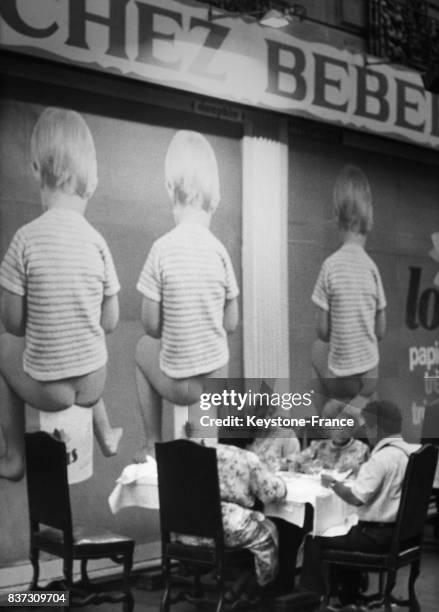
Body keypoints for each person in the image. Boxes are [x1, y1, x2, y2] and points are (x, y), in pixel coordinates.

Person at [0, 108, 122, 481]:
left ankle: (14, 456)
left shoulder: (25, 240)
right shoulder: (97, 242)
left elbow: (14, 324)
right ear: (94, 179)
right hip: (92, 384)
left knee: (3, 346)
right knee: (86, 340)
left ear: (36, 168)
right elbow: (110, 321)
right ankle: (106, 433)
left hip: (50, 388)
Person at [134, 130, 239, 459]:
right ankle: (208, 448)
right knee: (217, 352)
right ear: (216, 198)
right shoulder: (220, 251)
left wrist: (176, 328)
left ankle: (152, 441)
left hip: (178, 384)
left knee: (141, 349)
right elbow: (231, 323)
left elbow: (151, 326)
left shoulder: (161, 250)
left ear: (169, 188)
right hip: (213, 385)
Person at [300, 400, 420, 607]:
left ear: (376, 428)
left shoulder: (381, 459)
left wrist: (334, 484)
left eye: (367, 426)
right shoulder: (413, 452)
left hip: (378, 537)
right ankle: (349, 595)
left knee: (315, 538)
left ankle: (313, 599)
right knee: (345, 529)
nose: (365, 430)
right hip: (405, 537)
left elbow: (356, 498)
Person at [311, 166, 387, 419]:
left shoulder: (329, 266)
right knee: (369, 385)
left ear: (337, 217)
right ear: (370, 219)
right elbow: (381, 330)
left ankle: (333, 408)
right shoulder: (372, 269)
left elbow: (322, 332)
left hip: (339, 376)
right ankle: (359, 403)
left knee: (316, 352)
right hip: (367, 377)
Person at [176, 443, 287, 603]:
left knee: (251, 525)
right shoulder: (247, 457)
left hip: (185, 530)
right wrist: (281, 483)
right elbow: (269, 493)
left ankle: (241, 585)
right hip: (219, 532)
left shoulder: (188, 453)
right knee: (268, 532)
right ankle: (259, 589)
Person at [292, 402, 369, 475]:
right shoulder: (319, 446)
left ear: (353, 428)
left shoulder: (361, 449)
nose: (340, 430)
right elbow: (297, 460)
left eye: (345, 425)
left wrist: (357, 469)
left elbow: (368, 474)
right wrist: (305, 466)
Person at [247, 381, 300, 472]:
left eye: (270, 414)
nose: (267, 419)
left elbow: (295, 464)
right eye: (261, 415)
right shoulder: (247, 436)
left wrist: (279, 465)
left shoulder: (287, 436)